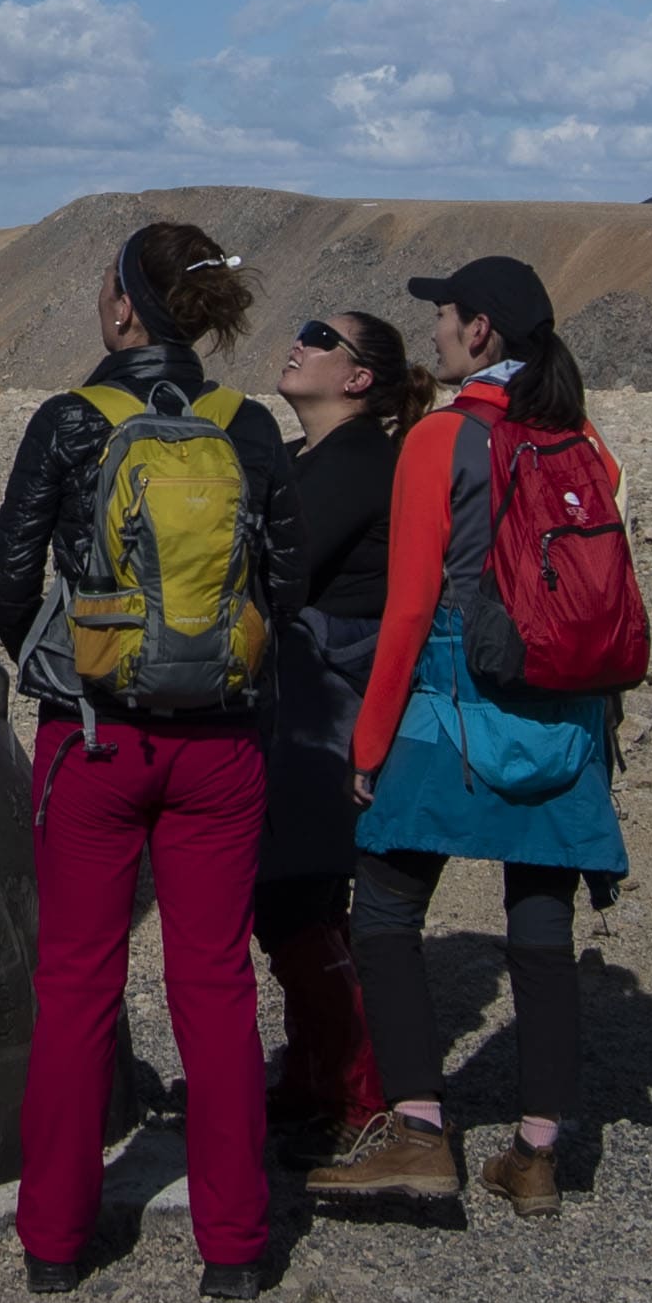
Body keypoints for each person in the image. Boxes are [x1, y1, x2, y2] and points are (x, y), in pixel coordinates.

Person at [0, 218, 295, 1300]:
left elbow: (9, 572)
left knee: (75, 980)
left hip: (96, 737)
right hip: (222, 748)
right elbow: (281, 583)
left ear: (124, 308)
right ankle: (236, 1243)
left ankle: (57, 1237)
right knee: (214, 983)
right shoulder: (246, 425)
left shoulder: (72, 419)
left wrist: (70, 666)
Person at [308, 255, 634, 1225]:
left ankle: (417, 1129)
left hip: (448, 700)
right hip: (562, 709)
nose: (438, 333)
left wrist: (368, 747)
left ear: (482, 331)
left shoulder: (438, 439)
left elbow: (408, 606)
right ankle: (536, 1154)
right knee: (540, 920)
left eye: (446, 317)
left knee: (387, 905)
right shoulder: (582, 438)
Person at [251, 303, 420, 1159]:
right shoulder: (310, 455)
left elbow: (283, 567)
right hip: (304, 694)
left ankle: (360, 1100)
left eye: (321, 337)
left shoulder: (359, 461)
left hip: (324, 701)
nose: (300, 339)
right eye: (303, 326)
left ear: (357, 379)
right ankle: (319, 1078)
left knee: (294, 894)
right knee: (301, 894)